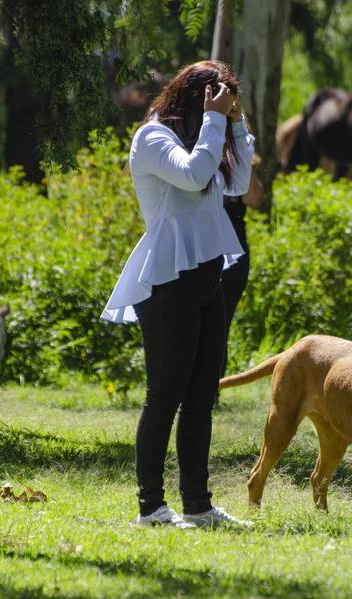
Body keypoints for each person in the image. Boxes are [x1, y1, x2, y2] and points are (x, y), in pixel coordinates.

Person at [101, 61, 255, 529]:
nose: (224, 105)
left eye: (230, 98)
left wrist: (237, 124)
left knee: (202, 394)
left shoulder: (208, 138)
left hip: (209, 275)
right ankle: (151, 507)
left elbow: (241, 184)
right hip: (167, 282)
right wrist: (213, 121)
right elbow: (190, 177)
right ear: (194, 97)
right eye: (218, 97)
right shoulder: (153, 138)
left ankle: (198, 506)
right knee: (165, 395)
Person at [219, 159, 264, 386]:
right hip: (200, 234)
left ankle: (212, 388)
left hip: (234, 239)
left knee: (221, 320)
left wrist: (246, 163)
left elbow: (254, 198)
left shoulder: (238, 159)